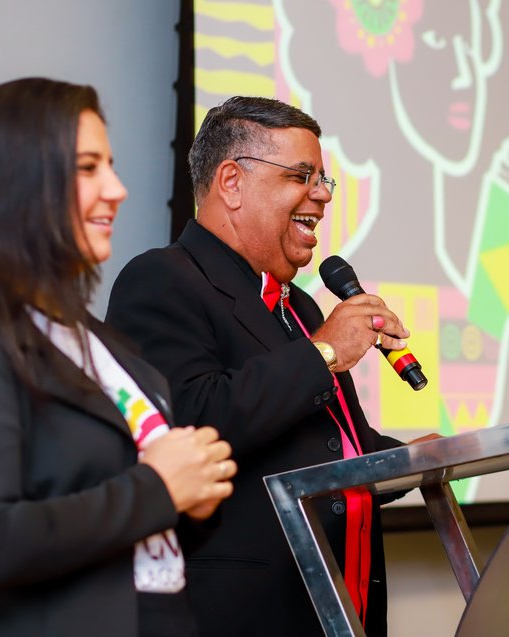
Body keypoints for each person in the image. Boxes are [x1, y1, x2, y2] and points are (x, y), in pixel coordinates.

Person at [0, 77, 237, 637]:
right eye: (87, 167)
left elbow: (137, 533)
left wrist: (192, 497)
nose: (117, 189)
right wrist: (159, 489)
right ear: (14, 185)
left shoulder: (96, 343)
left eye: (111, 165)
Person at [106, 96, 417, 636]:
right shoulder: (161, 279)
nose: (321, 195)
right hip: (240, 616)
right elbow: (193, 422)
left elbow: (325, 448)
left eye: (324, 180)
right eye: (302, 176)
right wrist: (323, 353)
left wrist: (421, 459)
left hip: (338, 611)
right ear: (231, 182)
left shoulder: (298, 306)